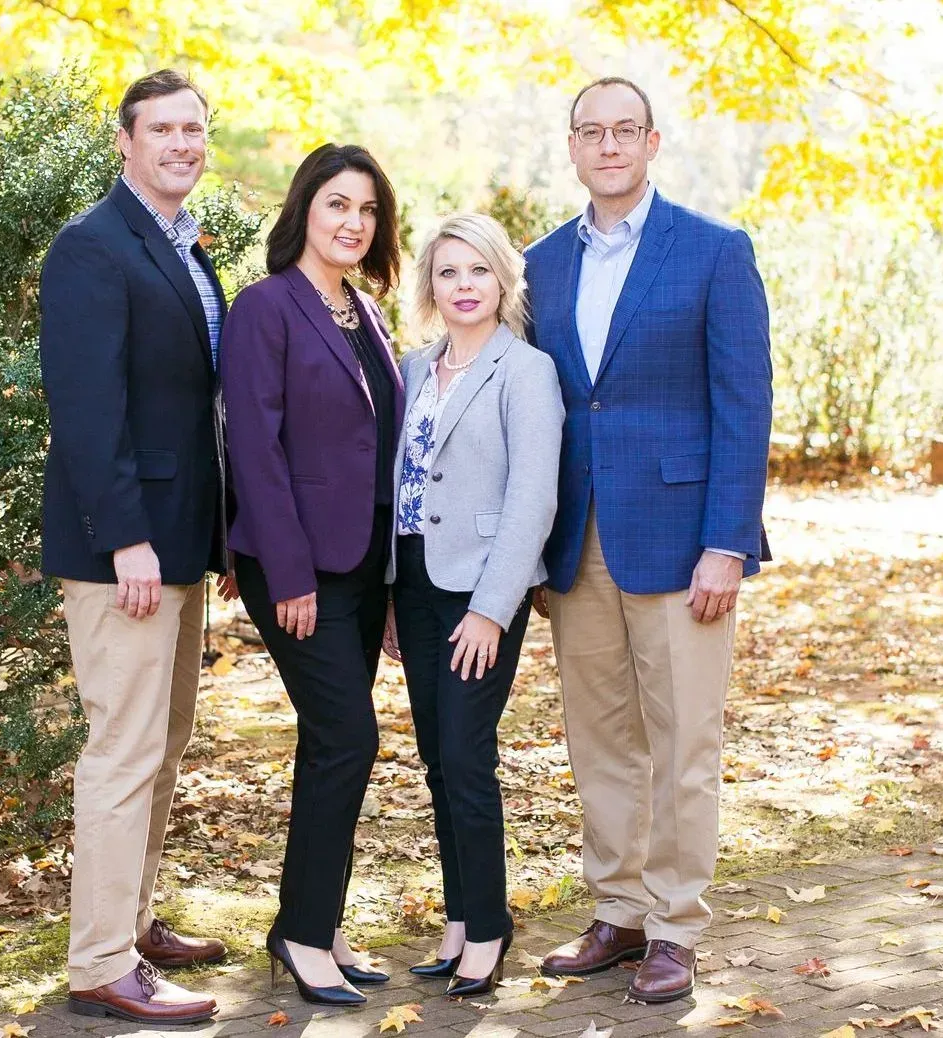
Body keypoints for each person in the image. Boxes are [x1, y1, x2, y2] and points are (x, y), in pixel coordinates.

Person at [525, 76, 774, 1005]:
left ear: (653, 142)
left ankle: (675, 925)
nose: (610, 144)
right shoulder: (540, 265)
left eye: (626, 129)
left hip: (684, 544)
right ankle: (619, 910)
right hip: (577, 539)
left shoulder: (713, 252)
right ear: (574, 147)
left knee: (684, 742)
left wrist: (728, 543)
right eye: (592, 131)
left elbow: (745, 406)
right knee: (600, 738)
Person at [38, 68, 232, 1027]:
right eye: (163, 129)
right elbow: (85, 413)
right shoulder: (91, 248)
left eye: (194, 129)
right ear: (125, 140)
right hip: (125, 551)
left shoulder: (189, 249)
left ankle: (133, 919)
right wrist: (128, 541)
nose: (182, 144)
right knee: (123, 750)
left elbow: (196, 411)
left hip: (181, 544)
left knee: (162, 744)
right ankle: (100, 964)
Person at [220, 143, 404, 1007]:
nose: (353, 223)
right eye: (337, 205)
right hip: (297, 566)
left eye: (366, 211)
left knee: (331, 745)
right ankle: (300, 935)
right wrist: (286, 573)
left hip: (366, 565)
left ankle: (314, 923)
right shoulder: (264, 309)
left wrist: (398, 581)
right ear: (304, 210)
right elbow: (253, 449)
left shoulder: (363, 313)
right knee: (348, 738)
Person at [382, 212, 564, 998]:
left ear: (503, 281)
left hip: (481, 589)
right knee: (434, 758)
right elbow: (399, 484)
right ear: (432, 284)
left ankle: (489, 927)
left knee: (465, 753)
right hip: (415, 579)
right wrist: (390, 590)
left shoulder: (526, 371)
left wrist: (493, 607)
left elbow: (534, 496)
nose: (464, 286)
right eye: (449, 272)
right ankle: (459, 919)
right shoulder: (415, 368)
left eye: (478, 271)